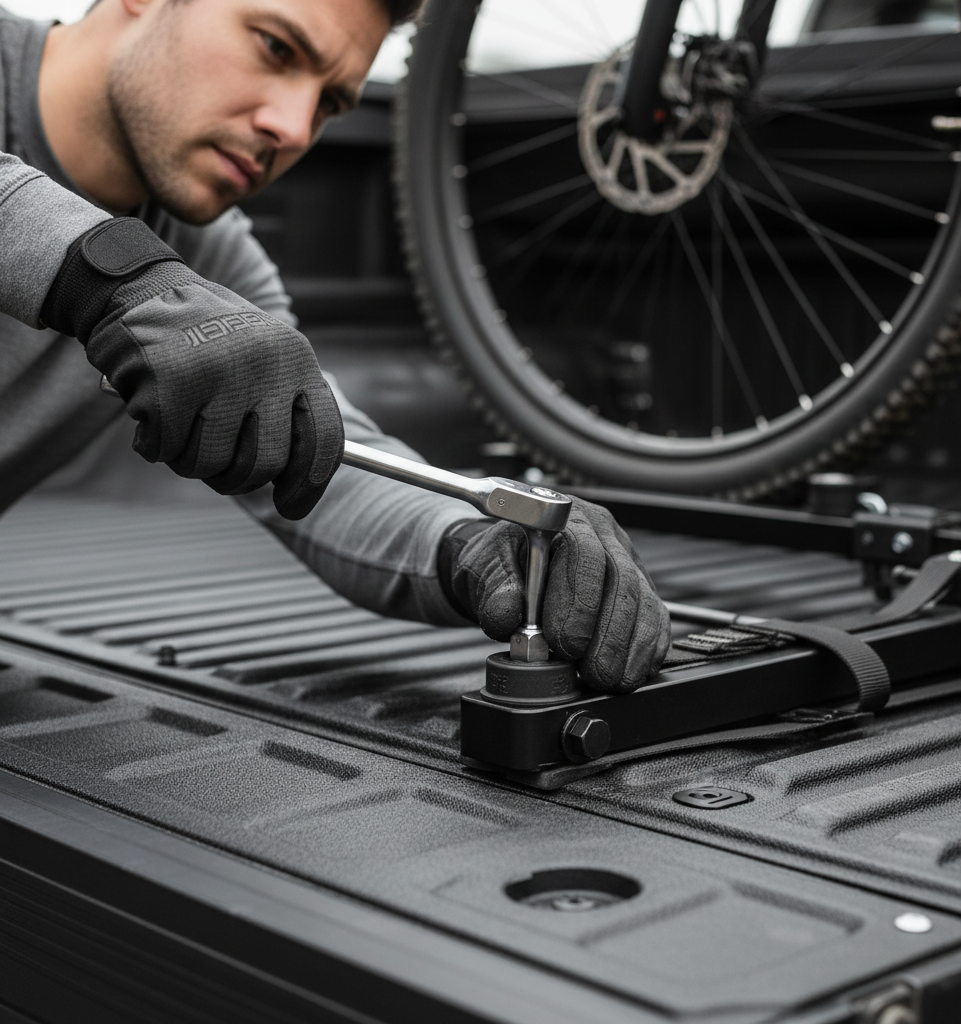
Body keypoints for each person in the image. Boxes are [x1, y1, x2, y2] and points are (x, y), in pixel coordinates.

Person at [0, 0, 670, 692]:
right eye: (275, 47)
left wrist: (480, 545)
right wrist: (114, 277)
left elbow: (324, 464)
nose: (289, 127)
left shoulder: (203, 259)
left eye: (329, 105)